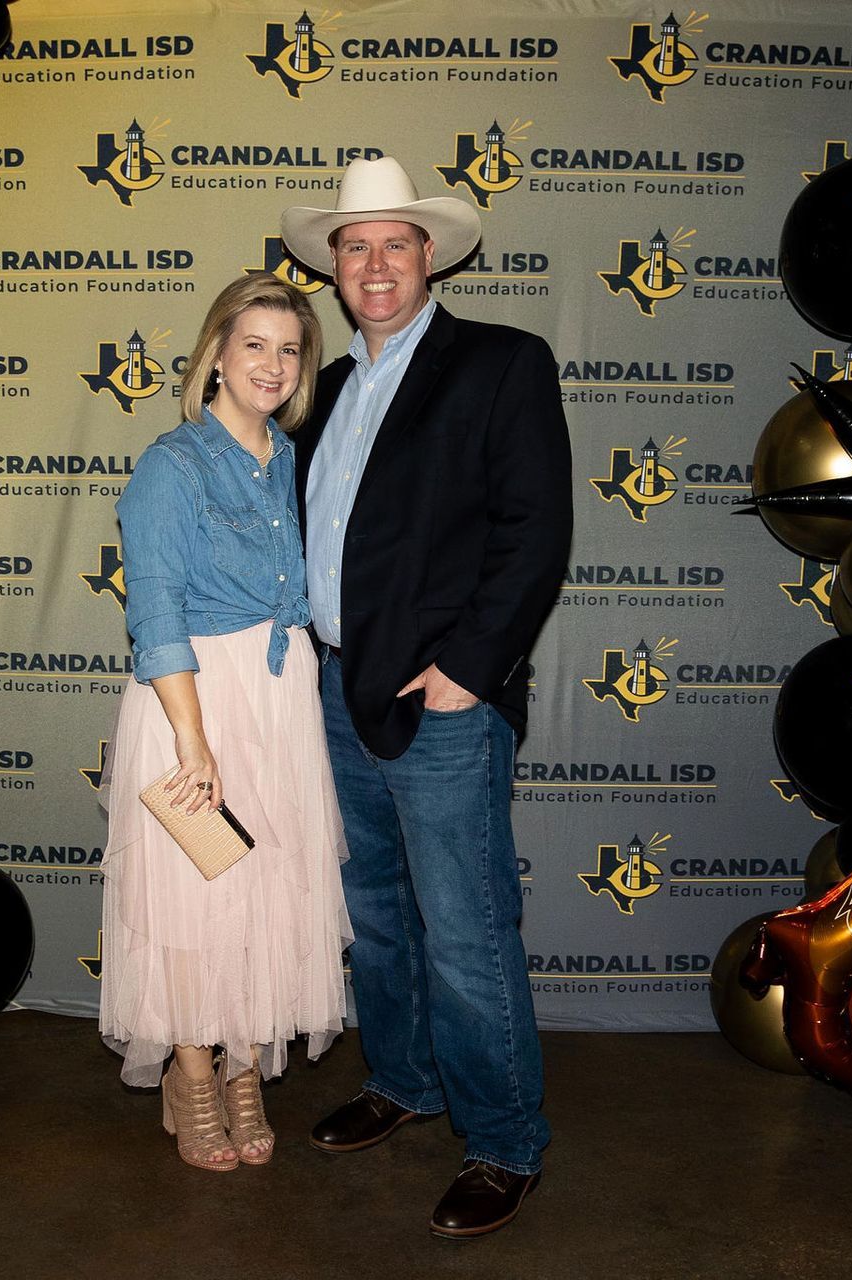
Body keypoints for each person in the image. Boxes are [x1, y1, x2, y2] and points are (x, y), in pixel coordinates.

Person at [280, 158, 572, 1236]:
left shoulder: (500, 363)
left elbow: (534, 531)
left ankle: (504, 1139)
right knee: (377, 922)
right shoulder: (324, 388)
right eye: (354, 247)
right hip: (333, 690)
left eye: (394, 243)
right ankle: (405, 1080)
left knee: (464, 931)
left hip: (444, 699)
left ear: (432, 255)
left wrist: (469, 669)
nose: (374, 263)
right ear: (333, 267)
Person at [99, 273, 352, 1173]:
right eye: (255, 345)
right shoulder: (172, 465)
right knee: (199, 897)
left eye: (291, 350)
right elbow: (155, 614)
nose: (274, 366)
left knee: (269, 891)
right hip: (196, 701)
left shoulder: (289, 460)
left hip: (283, 704)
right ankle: (194, 1075)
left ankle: (246, 1068)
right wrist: (192, 744)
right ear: (216, 352)